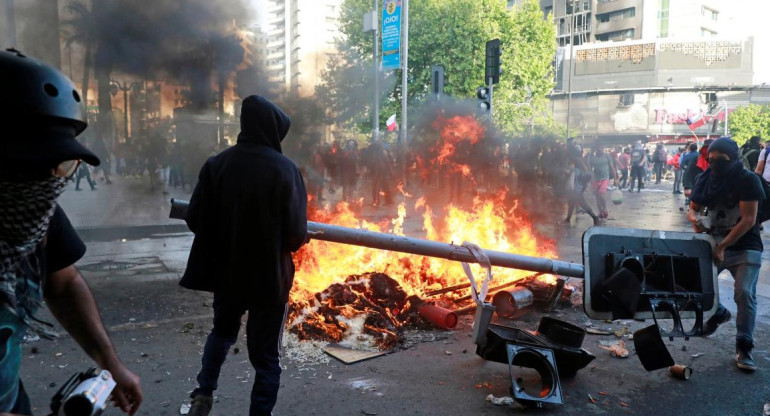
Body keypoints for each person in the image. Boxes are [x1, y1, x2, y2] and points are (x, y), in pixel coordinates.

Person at [0, 48, 142, 415]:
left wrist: (110, 363)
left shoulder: (37, 213)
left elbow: (62, 284)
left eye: (63, 165)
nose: (50, 182)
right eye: (37, 163)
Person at [182, 95, 308, 416]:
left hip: (227, 274)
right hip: (270, 280)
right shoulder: (286, 170)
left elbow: (196, 218)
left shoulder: (217, 164)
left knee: (222, 332)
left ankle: (203, 393)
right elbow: (295, 235)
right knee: (267, 359)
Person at [687, 137, 764, 371]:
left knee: (744, 293)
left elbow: (749, 219)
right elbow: (693, 209)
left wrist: (723, 247)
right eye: (711, 159)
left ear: (733, 158)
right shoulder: (705, 178)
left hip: (745, 244)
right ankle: (718, 312)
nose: (715, 163)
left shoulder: (747, 179)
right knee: (693, 284)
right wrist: (695, 221)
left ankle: (744, 347)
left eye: (721, 159)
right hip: (713, 241)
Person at [588, 146, 618, 219]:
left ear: (603, 149)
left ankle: (604, 209)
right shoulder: (593, 159)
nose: (599, 149)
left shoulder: (607, 157)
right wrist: (591, 179)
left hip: (605, 178)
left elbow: (612, 167)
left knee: (601, 194)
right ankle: (600, 212)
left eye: (601, 148)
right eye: (598, 148)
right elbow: (590, 170)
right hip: (595, 179)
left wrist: (615, 179)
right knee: (597, 197)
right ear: (596, 149)